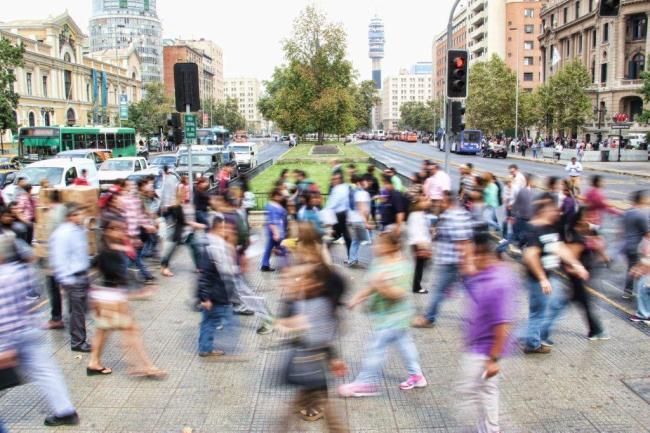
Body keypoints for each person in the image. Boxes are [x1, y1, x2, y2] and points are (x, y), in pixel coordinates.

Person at [0, 230, 80, 427]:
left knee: (43, 370)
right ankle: (65, 410)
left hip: (12, 335)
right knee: (46, 370)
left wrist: (5, 347)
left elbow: (4, 316)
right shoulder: (22, 270)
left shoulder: (3, 277)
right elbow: (35, 296)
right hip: (31, 328)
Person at [339, 231, 427, 397]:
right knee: (405, 344)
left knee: (375, 348)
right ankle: (417, 375)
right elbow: (372, 286)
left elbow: (399, 294)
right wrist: (357, 298)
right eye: (375, 243)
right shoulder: (379, 262)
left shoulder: (402, 266)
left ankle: (366, 383)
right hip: (388, 316)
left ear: (392, 247)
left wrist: (383, 286)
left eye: (380, 244)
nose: (375, 246)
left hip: (394, 316)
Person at [278, 223, 348, 430]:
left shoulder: (315, 261)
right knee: (311, 372)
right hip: (311, 333)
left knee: (313, 370)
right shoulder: (303, 255)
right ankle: (314, 407)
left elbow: (329, 287)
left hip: (314, 331)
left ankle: (315, 407)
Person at [87, 218, 166, 377]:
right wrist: (138, 293)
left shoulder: (111, 249)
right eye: (116, 229)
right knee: (131, 331)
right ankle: (144, 366)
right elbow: (119, 278)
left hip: (106, 298)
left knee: (103, 332)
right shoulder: (109, 252)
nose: (121, 232)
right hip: (112, 300)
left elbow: (92, 269)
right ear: (108, 232)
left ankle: (94, 363)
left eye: (122, 229)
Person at [457, 224, 516, 433]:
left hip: (484, 351)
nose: (468, 259)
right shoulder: (492, 272)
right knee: (487, 392)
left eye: (472, 255)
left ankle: (494, 428)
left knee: (470, 394)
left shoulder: (496, 283)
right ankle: (492, 429)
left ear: (481, 255)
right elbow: (469, 273)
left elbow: (503, 325)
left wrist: (494, 359)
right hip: (481, 347)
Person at [521, 195, 589, 354]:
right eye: (553, 210)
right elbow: (531, 255)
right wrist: (542, 279)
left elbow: (559, 248)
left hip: (548, 276)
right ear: (544, 211)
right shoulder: (534, 230)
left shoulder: (550, 228)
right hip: (537, 278)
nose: (557, 213)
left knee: (552, 306)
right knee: (539, 312)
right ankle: (532, 343)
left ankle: (535, 337)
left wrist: (576, 264)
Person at [413, 191, 474, 328]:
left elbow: (462, 241)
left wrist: (466, 264)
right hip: (454, 261)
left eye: (442, 201)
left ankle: (429, 318)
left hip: (451, 262)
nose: (439, 203)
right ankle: (484, 316)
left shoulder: (453, 216)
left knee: (439, 290)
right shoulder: (460, 213)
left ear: (447, 202)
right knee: (471, 290)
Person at [556, 207, 609, 341]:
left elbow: (598, 241)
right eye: (588, 217)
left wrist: (602, 253)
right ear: (580, 220)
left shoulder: (585, 231)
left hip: (581, 275)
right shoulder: (574, 236)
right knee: (582, 302)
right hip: (577, 276)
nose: (591, 219)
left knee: (577, 301)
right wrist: (578, 271)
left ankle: (595, 330)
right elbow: (569, 262)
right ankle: (596, 330)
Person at [49, 203, 92, 352]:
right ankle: (78, 342)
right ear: (71, 216)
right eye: (80, 213)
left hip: (81, 275)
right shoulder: (63, 233)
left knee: (79, 310)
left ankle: (78, 337)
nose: (83, 216)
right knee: (77, 311)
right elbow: (60, 258)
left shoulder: (79, 229)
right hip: (73, 277)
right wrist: (66, 280)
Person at [196, 214, 240, 357]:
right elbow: (204, 275)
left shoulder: (218, 246)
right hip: (215, 294)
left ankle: (205, 348)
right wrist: (205, 298)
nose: (226, 231)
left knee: (208, 321)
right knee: (222, 320)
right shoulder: (212, 248)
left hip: (216, 292)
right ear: (216, 229)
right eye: (223, 228)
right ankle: (206, 347)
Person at [160, 189, 206, 277]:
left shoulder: (190, 205)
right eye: (185, 193)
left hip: (189, 232)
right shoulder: (176, 206)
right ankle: (164, 267)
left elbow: (194, 216)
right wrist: (194, 224)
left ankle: (199, 267)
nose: (187, 194)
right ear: (180, 194)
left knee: (195, 248)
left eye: (188, 193)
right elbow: (181, 220)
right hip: (178, 232)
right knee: (170, 251)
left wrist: (198, 224)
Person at [41, 190, 68, 330]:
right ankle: (72, 314)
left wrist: (51, 263)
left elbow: (52, 240)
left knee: (53, 289)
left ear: (49, 201)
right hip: (68, 260)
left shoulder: (52, 215)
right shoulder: (66, 211)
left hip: (56, 260)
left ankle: (56, 318)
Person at [621, 190, 649, 298]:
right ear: (641, 199)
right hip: (637, 246)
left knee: (632, 268)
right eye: (646, 198)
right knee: (640, 269)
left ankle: (627, 291)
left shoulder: (628, 212)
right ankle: (643, 292)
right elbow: (647, 234)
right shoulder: (641, 215)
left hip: (627, 244)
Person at [407, 196, 432, 294]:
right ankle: (416, 286)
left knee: (421, 265)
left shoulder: (419, 214)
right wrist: (421, 246)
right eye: (425, 200)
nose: (428, 202)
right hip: (419, 244)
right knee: (420, 266)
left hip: (421, 243)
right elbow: (415, 231)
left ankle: (416, 284)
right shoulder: (416, 215)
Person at [261, 187, 287, 272]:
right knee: (283, 247)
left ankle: (265, 265)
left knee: (269, 247)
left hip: (276, 230)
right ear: (275, 196)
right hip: (276, 230)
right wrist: (276, 233)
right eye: (280, 195)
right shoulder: (272, 206)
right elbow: (273, 221)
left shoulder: (273, 205)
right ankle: (286, 266)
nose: (282, 197)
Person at [325, 172, 352, 258]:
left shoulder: (340, 189)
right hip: (339, 215)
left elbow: (333, 203)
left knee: (337, 236)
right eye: (333, 179)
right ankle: (351, 256)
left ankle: (324, 253)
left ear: (340, 179)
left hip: (340, 215)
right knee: (339, 236)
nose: (333, 181)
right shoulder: (341, 187)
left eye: (335, 179)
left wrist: (326, 212)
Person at [347, 175, 371, 267]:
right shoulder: (360, 192)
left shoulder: (356, 191)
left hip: (355, 219)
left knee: (356, 240)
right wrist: (366, 222)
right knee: (366, 240)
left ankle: (352, 259)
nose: (367, 183)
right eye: (365, 181)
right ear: (360, 182)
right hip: (359, 219)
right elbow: (361, 208)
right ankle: (352, 259)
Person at [511, 173, 535, 246]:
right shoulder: (523, 190)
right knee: (521, 237)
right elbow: (516, 204)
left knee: (524, 236)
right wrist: (513, 215)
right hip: (523, 218)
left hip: (527, 218)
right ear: (529, 181)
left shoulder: (530, 191)